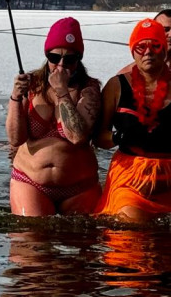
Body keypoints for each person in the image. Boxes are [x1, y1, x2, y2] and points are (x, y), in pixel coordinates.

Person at [95, 18, 171, 222]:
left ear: (164, 50)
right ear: (132, 51)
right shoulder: (116, 86)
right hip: (130, 176)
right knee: (130, 236)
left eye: (155, 45)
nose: (148, 52)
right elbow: (98, 137)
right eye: (141, 47)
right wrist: (119, 137)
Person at [6, 17, 102, 216]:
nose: (60, 65)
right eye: (54, 57)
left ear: (79, 59)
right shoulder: (31, 84)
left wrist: (62, 91)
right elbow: (15, 138)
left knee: (83, 242)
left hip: (79, 187)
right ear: (46, 56)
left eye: (69, 60)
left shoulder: (89, 89)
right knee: (31, 238)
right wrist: (16, 97)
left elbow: (76, 136)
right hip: (31, 181)